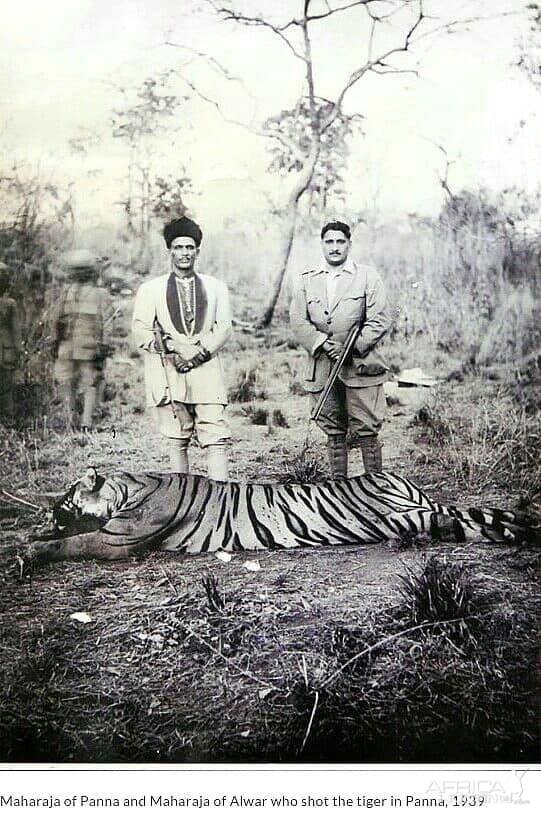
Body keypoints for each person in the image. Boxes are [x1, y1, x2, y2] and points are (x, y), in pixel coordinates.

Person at [290, 220, 392, 477]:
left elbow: (379, 318)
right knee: (333, 429)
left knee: (366, 429)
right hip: (323, 366)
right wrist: (323, 343)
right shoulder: (306, 279)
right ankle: (338, 492)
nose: (335, 248)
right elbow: (298, 320)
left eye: (340, 242)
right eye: (329, 242)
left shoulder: (367, 276)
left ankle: (375, 488)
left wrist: (352, 347)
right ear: (322, 244)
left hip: (359, 365)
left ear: (349, 244)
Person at [132, 216, 231, 480]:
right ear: (170, 251)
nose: (184, 253)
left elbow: (224, 328)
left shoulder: (216, 287)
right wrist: (174, 347)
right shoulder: (150, 289)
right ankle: (181, 504)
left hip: (207, 370)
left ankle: (219, 505)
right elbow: (140, 331)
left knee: (215, 438)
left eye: (190, 248)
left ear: (197, 251)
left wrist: (197, 355)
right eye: (179, 247)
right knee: (176, 439)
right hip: (168, 373)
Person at [51, 249, 106, 431]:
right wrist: (103, 347)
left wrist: (55, 341)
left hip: (68, 345)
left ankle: (71, 419)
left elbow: (56, 320)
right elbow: (104, 323)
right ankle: (85, 422)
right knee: (89, 383)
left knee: (68, 383)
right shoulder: (98, 294)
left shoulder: (66, 292)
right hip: (87, 346)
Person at [0, 262, 22, 424]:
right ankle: (8, 419)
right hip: (6, 350)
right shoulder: (10, 304)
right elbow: (16, 330)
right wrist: (19, 351)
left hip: (5, 350)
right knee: (6, 387)